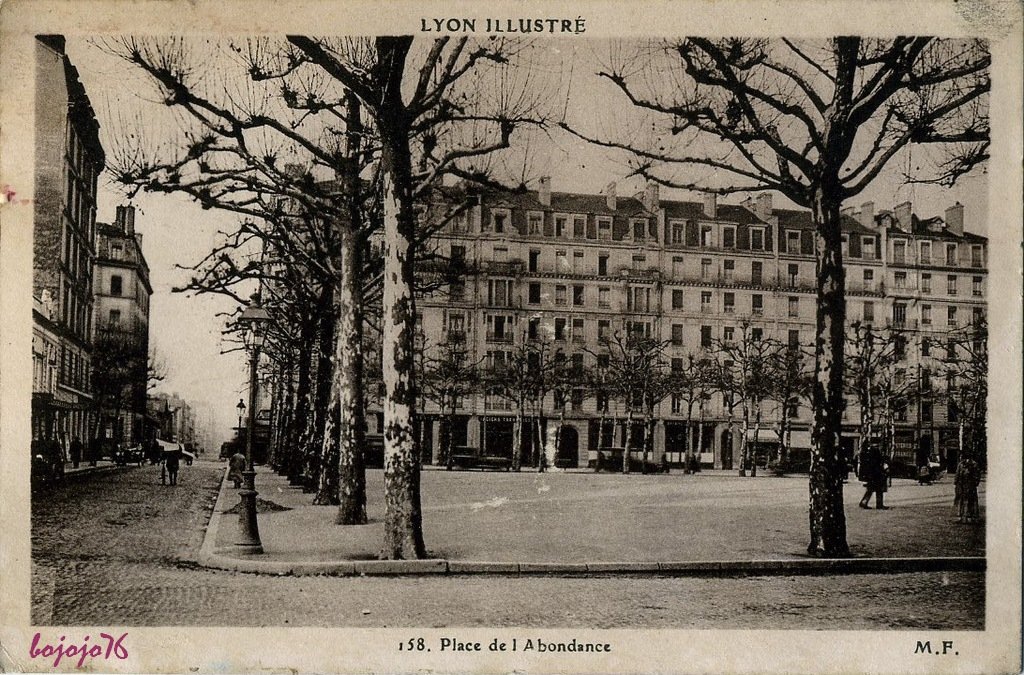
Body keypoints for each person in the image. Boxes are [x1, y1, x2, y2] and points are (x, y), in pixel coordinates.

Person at [858, 442, 889, 510]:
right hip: (876, 474)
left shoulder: (868, 452)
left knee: (870, 489)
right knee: (879, 490)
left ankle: (864, 502)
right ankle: (879, 504)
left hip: (871, 475)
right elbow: (877, 463)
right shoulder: (876, 452)